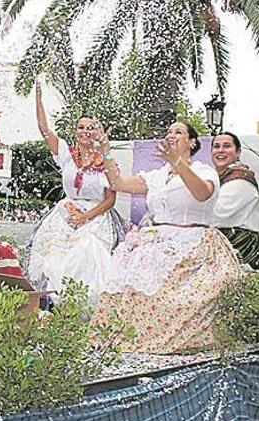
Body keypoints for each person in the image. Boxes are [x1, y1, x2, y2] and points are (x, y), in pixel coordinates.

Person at [99, 121, 242, 354]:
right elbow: (118, 183)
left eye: (178, 132)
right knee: (127, 277)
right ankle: (128, 339)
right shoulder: (158, 175)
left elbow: (202, 194)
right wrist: (104, 151)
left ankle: (174, 341)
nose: (171, 135)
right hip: (157, 240)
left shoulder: (204, 171)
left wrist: (178, 163)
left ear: (192, 142)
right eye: (168, 131)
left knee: (178, 299)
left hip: (194, 242)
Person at [26, 76, 123, 302]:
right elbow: (44, 130)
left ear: (98, 132)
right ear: (75, 131)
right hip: (66, 212)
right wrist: (39, 98)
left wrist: (85, 217)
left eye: (91, 128)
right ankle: (55, 307)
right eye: (81, 127)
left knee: (86, 255)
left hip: (97, 217)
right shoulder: (66, 154)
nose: (85, 131)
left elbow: (111, 200)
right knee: (53, 257)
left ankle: (84, 308)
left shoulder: (106, 161)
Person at [210, 132, 259, 269]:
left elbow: (218, 215)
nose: (220, 150)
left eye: (227, 146)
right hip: (223, 244)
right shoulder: (216, 178)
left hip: (241, 246)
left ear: (238, 152)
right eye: (216, 146)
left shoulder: (240, 179)